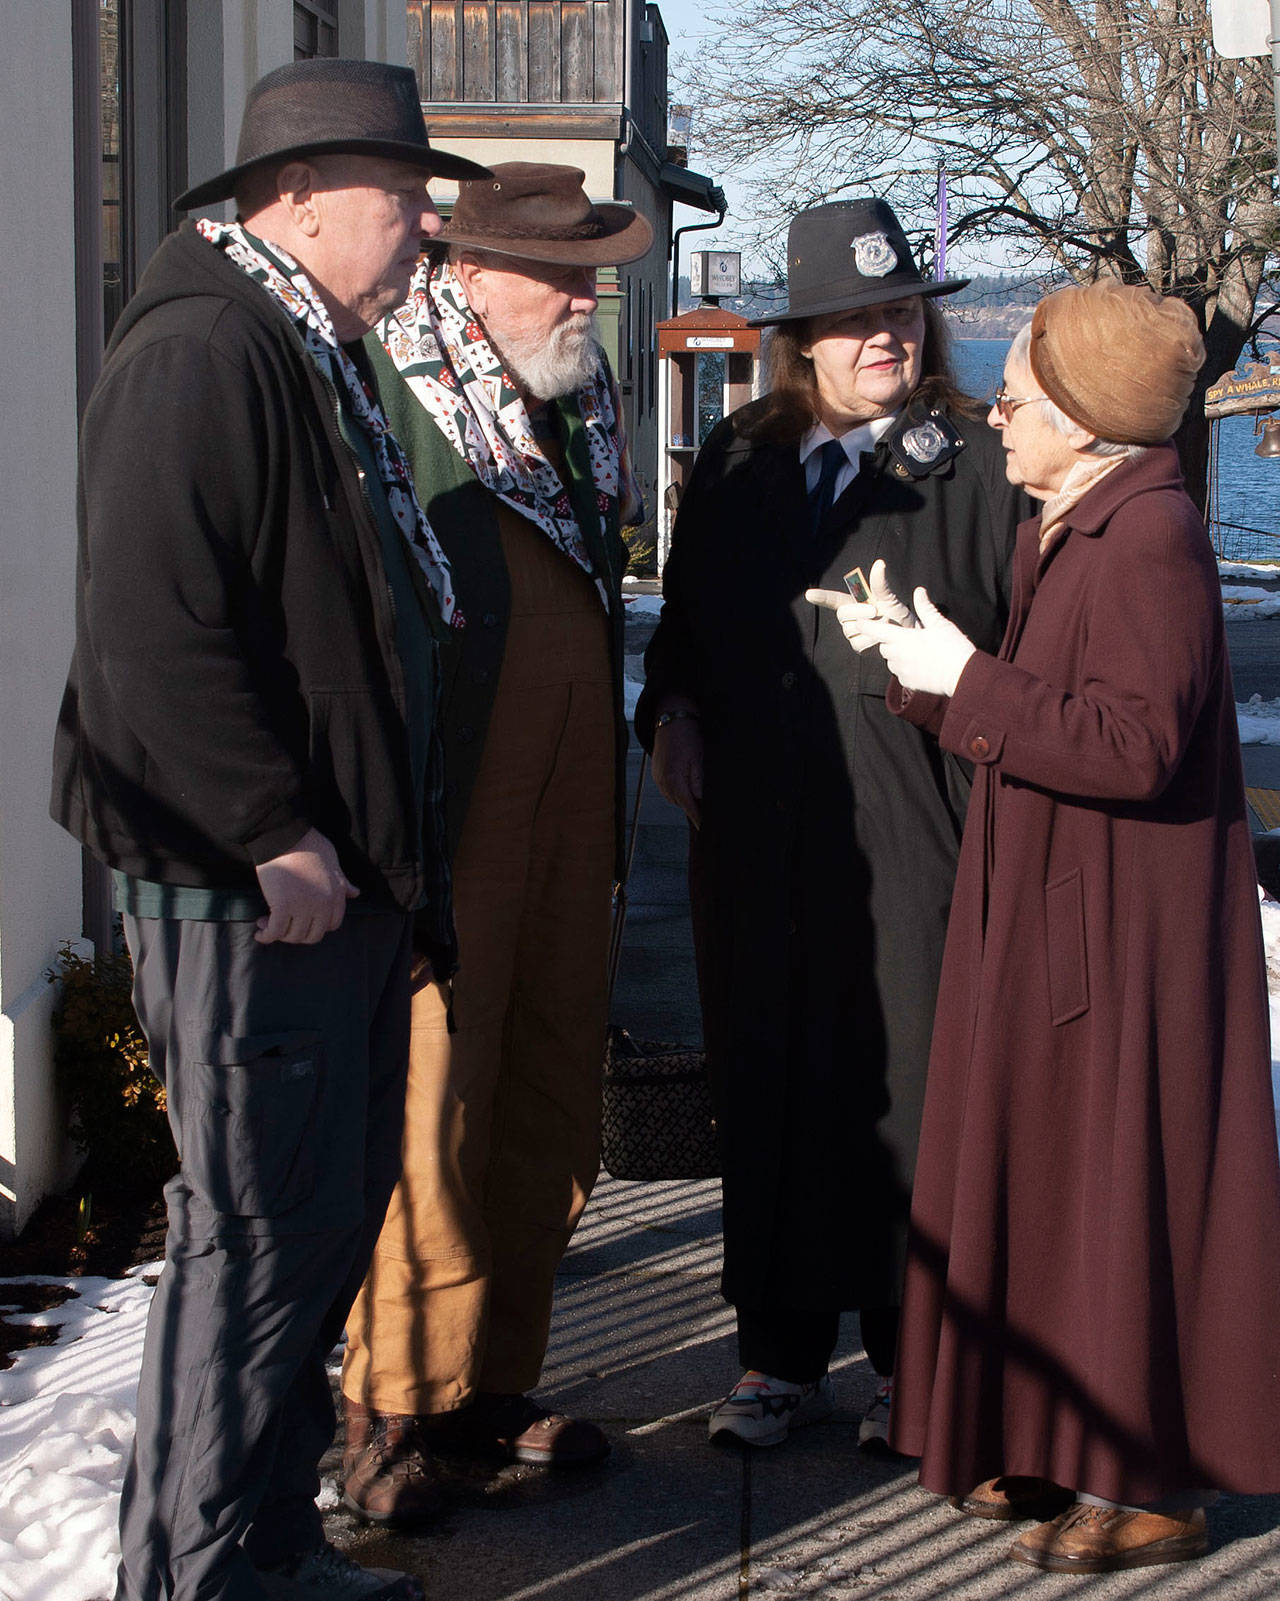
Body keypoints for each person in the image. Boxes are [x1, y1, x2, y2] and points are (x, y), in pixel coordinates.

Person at [49, 58, 491, 1601]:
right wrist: (272, 829)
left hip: (334, 893)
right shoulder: (204, 350)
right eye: (404, 206)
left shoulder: (298, 345)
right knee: (256, 1247)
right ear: (297, 203)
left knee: (308, 1236)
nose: (426, 235)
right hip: (260, 901)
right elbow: (150, 637)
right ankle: (208, 1573)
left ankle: (273, 1545)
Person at [821, 281, 1280, 1571]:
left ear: (1082, 420)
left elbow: (1130, 745)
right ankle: (1042, 1434)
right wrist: (937, 675)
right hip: (1055, 906)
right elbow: (1052, 708)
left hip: (1116, 932)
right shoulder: (1071, 522)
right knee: (1044, 1176)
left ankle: (1144, 1479)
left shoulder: (1147, 540)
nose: (998, 417)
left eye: (1017, 398)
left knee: (1111, 1185)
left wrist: (960, 680)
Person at [636, 199, 1024, 1451]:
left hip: (918, 836)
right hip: (757, 843)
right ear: (800, 337)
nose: (882, 337)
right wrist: (673, 713)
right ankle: (777, 1354)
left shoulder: (975, 467)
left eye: (900, 312)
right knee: (771, 1082)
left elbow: (1023, 659)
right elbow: (682, 634)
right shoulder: (741, 467)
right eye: (854, 319)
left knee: (907, 1092)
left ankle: (912, 1364)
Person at [337, 163, 653, 1524]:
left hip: (572, 820)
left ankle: (489, 1385)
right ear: (466, 272)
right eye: (557, 273)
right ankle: (389, 1410)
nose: (584, 297)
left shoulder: (581, 415)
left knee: (545, 1091)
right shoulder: (393, 400)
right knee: (432, 1106)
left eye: (591, 272)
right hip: (452, 821)